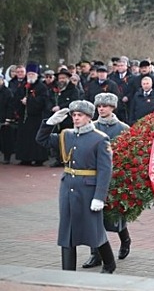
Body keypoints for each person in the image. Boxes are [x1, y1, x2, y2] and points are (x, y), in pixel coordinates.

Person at [36, 100, 116, 273]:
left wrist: (99, 196)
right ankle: (68, 272)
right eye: (74, 115)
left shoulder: (100, 139)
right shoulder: (67, 135)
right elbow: (41, 140)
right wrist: (49, 123)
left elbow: (105, 170)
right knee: (67, 230)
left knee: (94, 230)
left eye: (80, 115)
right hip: (68, 188)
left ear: (89, 117)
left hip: (88, 189)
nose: (76, 118)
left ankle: (109, 263)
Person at [82, 93, 131, 269]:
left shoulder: (123, 128)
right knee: (95, 217)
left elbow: (129, 155)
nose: (101, 108)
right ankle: (95, 254)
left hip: (116, 177)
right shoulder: (91, 126)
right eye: (99, 106)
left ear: (113, 108)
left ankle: (125, 239)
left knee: (115, 215)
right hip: (95, 177)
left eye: (105, 105)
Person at [14, 62, 49, 166]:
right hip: (25, 118)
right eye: (29, 74)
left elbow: (43, 100)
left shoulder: (42, 87)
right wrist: (21, 101)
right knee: (24, 138)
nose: (30, 76)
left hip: (37, 118)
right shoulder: (23, 86)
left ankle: (39, 159)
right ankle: (25, 158)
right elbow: (16, 97)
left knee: (36, 138)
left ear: (37, 75)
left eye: (32, 74)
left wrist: (28, 101)